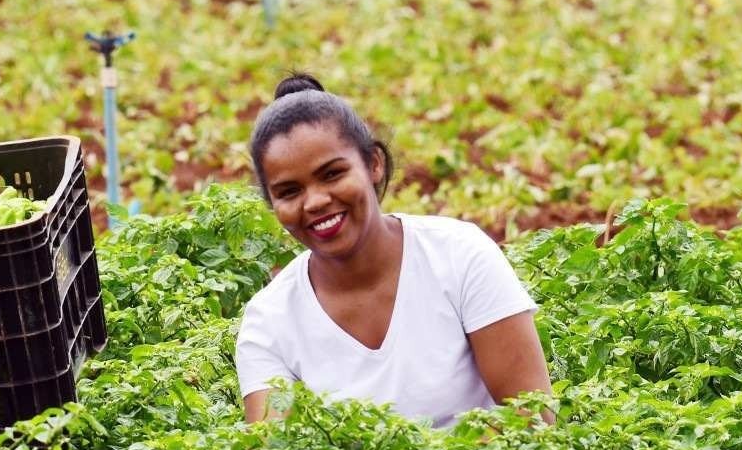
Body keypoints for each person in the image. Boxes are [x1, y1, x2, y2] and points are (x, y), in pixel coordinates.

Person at [235, 72, 553, 428]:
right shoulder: (269, 323)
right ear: (271, 204)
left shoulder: (460, 256)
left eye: (332, 174)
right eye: (289, 192)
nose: (316, 201)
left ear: (373, 163)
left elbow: (532, 420)